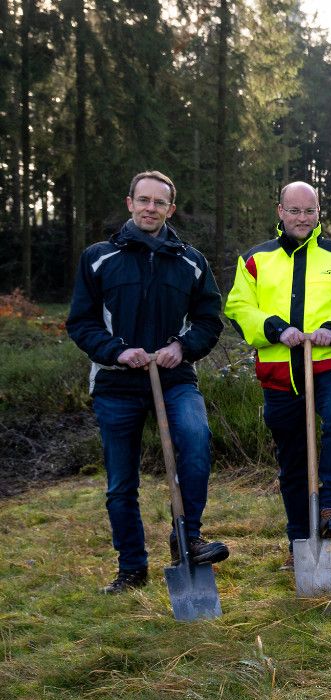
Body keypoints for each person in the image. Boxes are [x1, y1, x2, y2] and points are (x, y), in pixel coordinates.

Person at [67, 170, 229, 593]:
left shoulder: (190, 261)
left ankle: (187, 540)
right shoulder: (99, 257)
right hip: (116, 384)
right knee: (122, 482)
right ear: (130, 203)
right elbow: (81, 323)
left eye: (159, 202)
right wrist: (117, 350)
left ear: (170, 210)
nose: (150, 208)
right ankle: (132, 569)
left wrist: (182, 346)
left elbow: (210, 320)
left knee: (195, 441)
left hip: (174, 378)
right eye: (144, 200)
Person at [224, 181, 331, 566]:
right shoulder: (256, 259)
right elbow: (239, 307)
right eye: (294, 210)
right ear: (280, 211)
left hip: (328, 367)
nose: (302, 218)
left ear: (319, 212)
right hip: (279, 373)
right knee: (292, 462)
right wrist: (275, 328)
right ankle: (299, 543)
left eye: (309, 211)